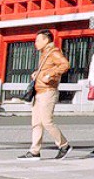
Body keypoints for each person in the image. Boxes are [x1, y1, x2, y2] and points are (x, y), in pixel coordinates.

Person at [20, 29, 72, 159]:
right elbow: (47, 68)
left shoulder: (53, 52)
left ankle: (64, 145)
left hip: (48, 92)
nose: (35, 43)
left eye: (38, 40)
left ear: (46, 40)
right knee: (36, 122)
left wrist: (49, 75)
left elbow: (65, 65)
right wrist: (38, 74)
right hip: (39, 91)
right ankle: (34, 151)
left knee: (46, 121)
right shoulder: (45, 54)